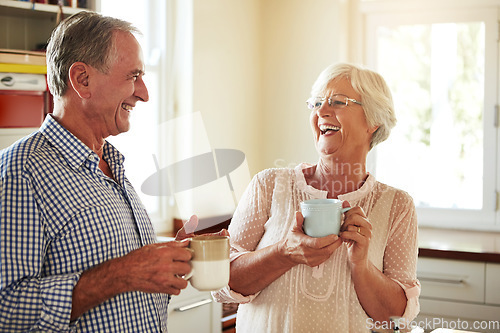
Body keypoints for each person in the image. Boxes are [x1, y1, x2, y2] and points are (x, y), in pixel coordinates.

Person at [0, 11, 197, 332]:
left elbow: (129, 270)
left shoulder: (112, 167)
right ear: (82, 79)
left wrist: (168, 256)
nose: (144, 93)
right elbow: (6, 310)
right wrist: (123, 273)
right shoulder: (21, 173)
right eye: (133, 76)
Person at [213, 63, 421, 332]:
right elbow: (223, 283)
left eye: (337, 102)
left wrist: (361, 265)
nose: (321, 111)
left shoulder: (397, 206)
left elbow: (395, 319)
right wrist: (284, 252)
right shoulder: (268, 185)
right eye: (316, 103)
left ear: (373, 121)